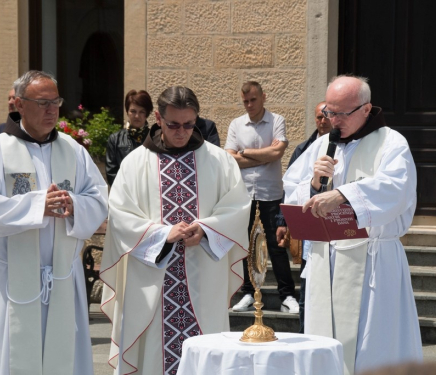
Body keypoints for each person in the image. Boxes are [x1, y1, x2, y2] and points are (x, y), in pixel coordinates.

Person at [100, 86, 251, 375]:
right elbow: (119, 214)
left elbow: (238, 207)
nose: (181, 131)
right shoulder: (135, 163)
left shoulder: (219, 160)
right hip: (153, 279)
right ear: (158, 118)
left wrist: (206, 231)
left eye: (189, 124)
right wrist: (160, 236)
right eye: (173, 125)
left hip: (204, 276)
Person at [283, 75, 422, 374]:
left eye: (340, 113)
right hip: (324, 260)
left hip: (373, 262)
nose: (333, 120)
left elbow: (395, 189)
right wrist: (312, 184)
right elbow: (291, 189)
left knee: (374, 345)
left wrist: (344, 194)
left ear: (366, 109)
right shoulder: (321, 144)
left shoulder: (392, 143)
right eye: (329, 112)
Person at [0, 70, 109, 375]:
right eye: (42, 103)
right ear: (19, 104)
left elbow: (99, 199)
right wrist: (37, 206)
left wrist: (74, 204)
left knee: (65, 357)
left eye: (56, 102)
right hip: (14, 278)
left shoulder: (73, 151)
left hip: (62, 276)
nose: (52, 110)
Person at [225, 81, 299, 313]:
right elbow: (229, 158)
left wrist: (244, 152)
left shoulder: (277, 120)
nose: (249, 105)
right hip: (244, 193)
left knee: (276, 247)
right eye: (245, 101)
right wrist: (265, 156)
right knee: (246, 245)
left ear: (263, 97)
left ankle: (287, 295)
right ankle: (247, 292)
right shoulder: (236, 124)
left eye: (253, 100)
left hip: (271, 193)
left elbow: (277, 152)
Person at [275, 101, 332, 332]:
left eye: (327, 116)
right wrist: (283, 222)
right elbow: (290, 187)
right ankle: (305, 335)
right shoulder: (304, 149)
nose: (323, 120)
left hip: (339, 234)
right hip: (312, 231)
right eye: (319, 116)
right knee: (307, 292)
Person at [106, 89, 154, 186]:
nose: (137, 116)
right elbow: (111, 173)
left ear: (147, 114)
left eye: (142, 112)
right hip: (123, 195)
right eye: (133, 111)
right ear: (127, 111)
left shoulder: (155, 138)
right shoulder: (115, 139)